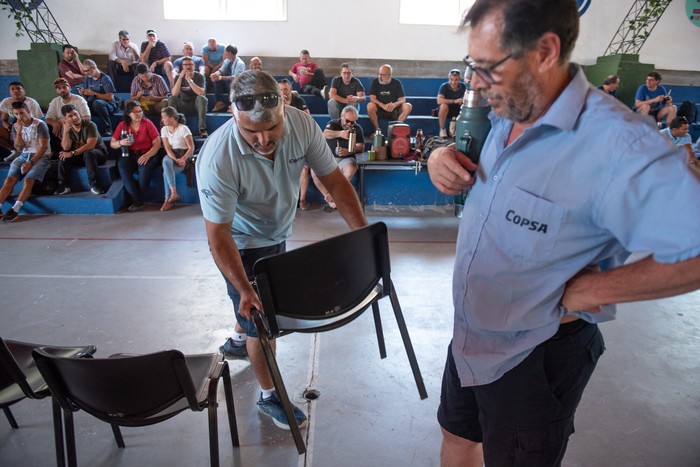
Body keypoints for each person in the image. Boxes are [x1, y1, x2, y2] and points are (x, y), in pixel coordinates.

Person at [427, 1, 700, 466]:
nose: (473, 81)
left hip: (534, 354)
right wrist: (439, 154)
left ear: (546, 51)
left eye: (487, 67)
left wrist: (594, 287)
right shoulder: (505, 108)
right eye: (471, 65)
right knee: (457, 437)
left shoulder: (619, 146)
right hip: (472, 332)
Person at [196, 70, 366, 431]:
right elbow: (219, 237)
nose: (262, 139)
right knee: (263, 321)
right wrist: (243, 288)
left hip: (276, 229)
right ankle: (268, 394)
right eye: (250, 132)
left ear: (284, 109)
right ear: (233, 117)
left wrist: (364, 237)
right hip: (240, 242)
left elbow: (335, 182)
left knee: (254, 312)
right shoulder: (216, 159)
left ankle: (239, 339)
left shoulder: (304, 126)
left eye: (271, 129)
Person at [0, 102, 51, 223]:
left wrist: (31, 162)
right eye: (16, 114)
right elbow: (18, 147)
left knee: (28, 180)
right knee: (9, 180)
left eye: (22, 113)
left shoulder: (40, 124)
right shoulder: (15, 126)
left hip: (41, 156)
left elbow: (43, 147)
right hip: (24, 155)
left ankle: (15, 209)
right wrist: (18, 132)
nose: (19, 116)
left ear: (28, 112)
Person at [109, 101, 161, 212]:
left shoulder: (147, 123)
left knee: (144, 169)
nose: (138, 114)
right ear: (128, 113)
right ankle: (138, 201)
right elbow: (112, 144)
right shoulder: (122, 125)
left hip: (148, 153)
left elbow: (157, 144)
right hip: (129, 153)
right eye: (134, 112)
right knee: (122, 167)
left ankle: (136, 200)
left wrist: (147, 155)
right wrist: (121, 142)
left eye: (140, 111)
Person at [312, 105, 364, 212]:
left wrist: (349, 151)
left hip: (346, 159)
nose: (350, 124)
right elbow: (325, 134)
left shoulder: (357, 128)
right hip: (329, 158)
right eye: (348, 120)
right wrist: (340, 133)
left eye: (353, 122)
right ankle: (330, 198)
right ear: (342, 116)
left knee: (351, 168)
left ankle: (333, 195)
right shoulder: (333, 124)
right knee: (313, 171)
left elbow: (361, 146)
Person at [55, 104, 107, 196]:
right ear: (65, 119)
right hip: (81, 156)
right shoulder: (67, 129)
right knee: (63, 155)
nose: (74, 117)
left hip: (98, 154)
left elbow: (91, 145)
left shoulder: (90, 125)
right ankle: (63, 184)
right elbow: (66, 147)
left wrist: (72, 153)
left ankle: (94, 184)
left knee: (89, 153)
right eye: (70, 116)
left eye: (75, 114)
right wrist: (66, 132)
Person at [159, 106, 194, 211]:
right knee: (165, 160)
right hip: (173, 155)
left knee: (166, 173)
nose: (162, 120)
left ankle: (168, 200)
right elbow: (167, 148)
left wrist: (183, 158)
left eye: (164, 117)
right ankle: (173, 192)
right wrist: (175, 160)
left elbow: (191, 147)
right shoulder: (164, 129)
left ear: (171, 118)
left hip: (184, 154)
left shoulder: (183, 128)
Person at [45, 78, 91, 154]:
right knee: (47, 126)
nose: (62, 90)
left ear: (69, 88)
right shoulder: (55, 101)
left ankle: (70, 151)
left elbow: (87, 117)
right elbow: (48, 119)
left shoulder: (79, 100)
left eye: (64, 87)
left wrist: (67, 123)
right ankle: (56, 152)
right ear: (56, 91)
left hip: (76, 125)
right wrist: (55, 124)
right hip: (60, 127)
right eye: (59, 88)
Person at [1, 81, 43, 161]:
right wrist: (10, 128)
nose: (15, 91)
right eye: (12, 89)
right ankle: (14, 150)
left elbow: (37, 123)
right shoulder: (6, 102)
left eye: (18, 89)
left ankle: (25, 151)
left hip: (29, 129)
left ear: (24, 91)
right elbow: (4, 120)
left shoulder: (31, 103)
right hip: (14, 127)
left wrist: (19, 130)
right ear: (9, 92)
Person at [168, 57, 209, 138]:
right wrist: (180, 78)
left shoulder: (199, 76)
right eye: (185, 65)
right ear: (182, 66)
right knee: (171, 98)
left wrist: (189, 80)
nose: (188, 67)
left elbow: (200, 92)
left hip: (195, 105)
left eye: (190, 64)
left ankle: (202, 129)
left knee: (202, 98)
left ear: (194, 66)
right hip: (183, 105)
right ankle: (173, 127)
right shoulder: (178, 77)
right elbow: (174, 93)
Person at [367, 64, 412, 134]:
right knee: (370, 106)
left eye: (383, 75)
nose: (380, 77)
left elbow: (403, 99)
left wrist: (394, 105)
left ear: (389, 75)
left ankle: (396, 130)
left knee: (408, 106)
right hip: (380, 109)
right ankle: (377, 130)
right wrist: (382, 105)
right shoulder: (375, 82)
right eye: (379, 74)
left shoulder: (397, 83)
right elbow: (372, 98)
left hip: (394, 110)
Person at [78, 59, 118, 136]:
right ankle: (83, 130)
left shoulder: (105, 78)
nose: (86, 73)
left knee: (97, 103)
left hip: (108, 105)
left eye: (87, 71)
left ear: (93, 68)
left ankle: (108, 127)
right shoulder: (88, 79)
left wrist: (94, 94)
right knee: (81, 104)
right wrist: (83, 94)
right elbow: (86, 98)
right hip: (94, 103)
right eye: (84, 71)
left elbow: (110, 97)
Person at [210, 44, 246, 112]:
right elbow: (221, 70)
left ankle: (232, 104)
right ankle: (220, 102)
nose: (224, 53)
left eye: (225, 52)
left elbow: (236, 78)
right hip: (227, 84)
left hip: (237, 85)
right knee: (216, 80)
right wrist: (215, 75)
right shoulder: (227, 61)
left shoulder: (240, 63)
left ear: (229, 52)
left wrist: (220, 77)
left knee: (229, 80)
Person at [437, 69, 467, 138]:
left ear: (459, 79)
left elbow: (467, 98)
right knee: (443, 106)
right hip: (447, 110)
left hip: (459, 109)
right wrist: (454, 101)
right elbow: (439, 100)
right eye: (451, 79)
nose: (453, 82)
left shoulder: (463, 87)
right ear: (448, 78)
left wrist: (462, 100)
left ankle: (458, 129)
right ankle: (442, 129)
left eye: (456, 80)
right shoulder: (444, 86)